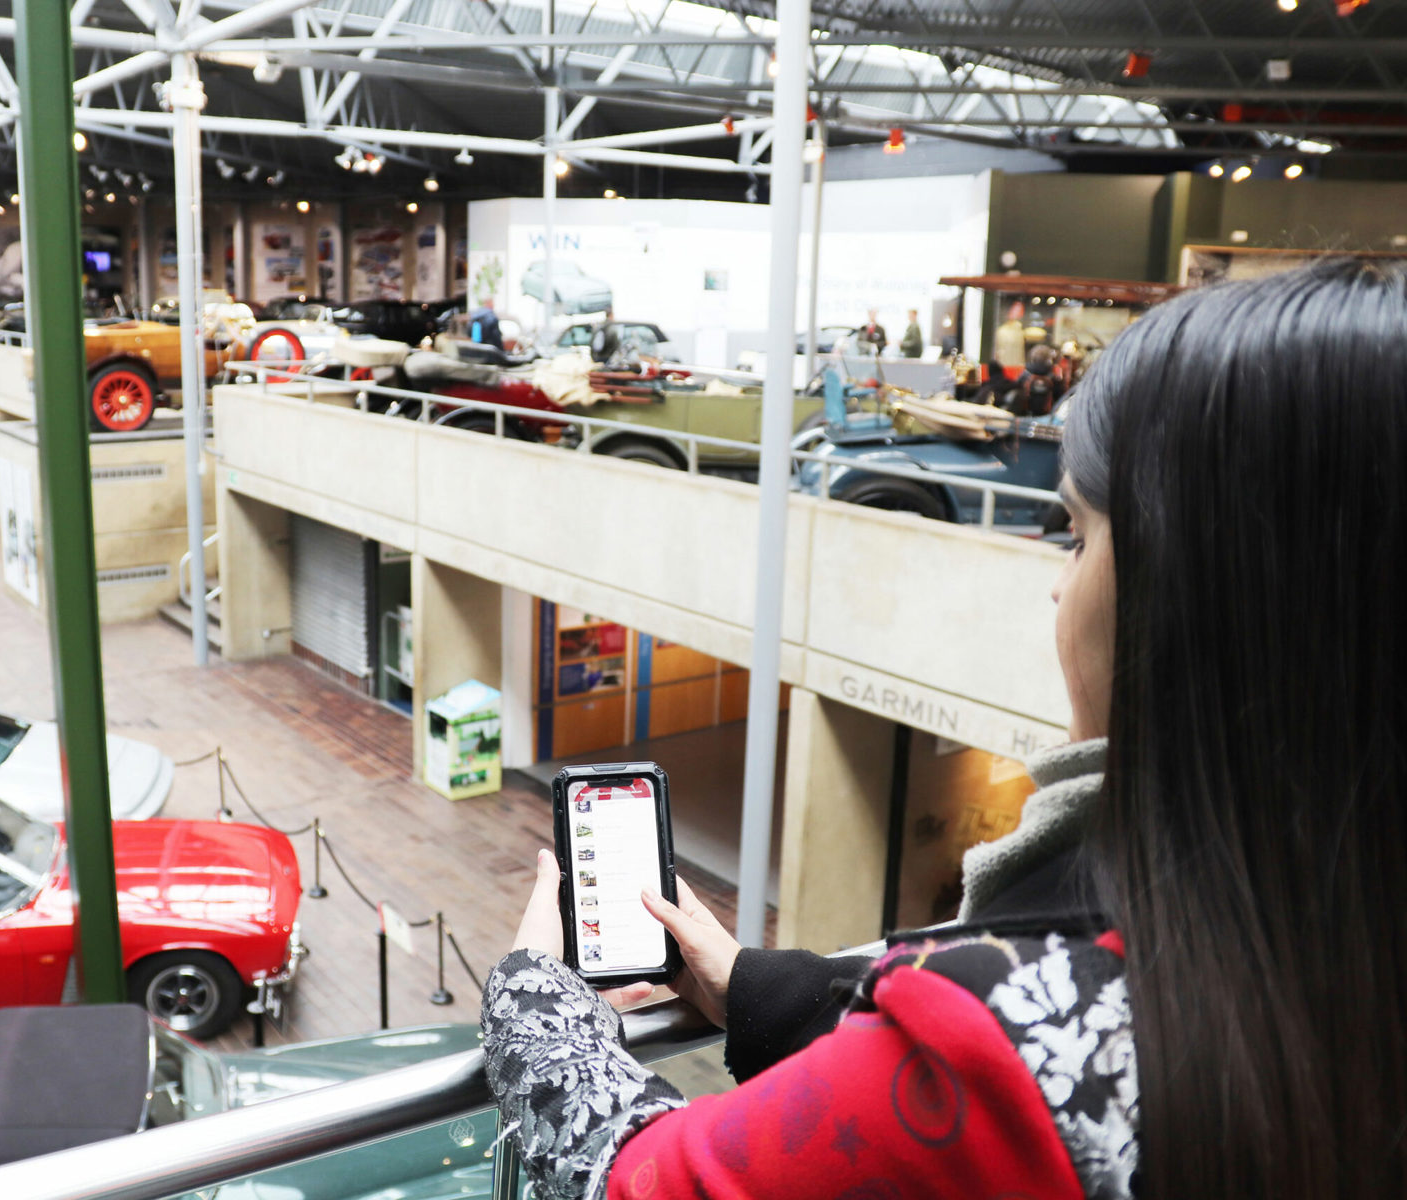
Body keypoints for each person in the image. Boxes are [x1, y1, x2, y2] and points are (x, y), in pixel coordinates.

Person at [483, 257, 1407, 1200]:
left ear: (1197, 598)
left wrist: (531, 994)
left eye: (1080, 537)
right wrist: (755, 990)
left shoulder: (1019, 1031)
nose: (1059, 581)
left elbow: (634, 1183)